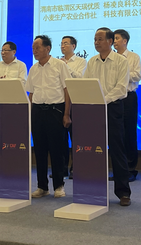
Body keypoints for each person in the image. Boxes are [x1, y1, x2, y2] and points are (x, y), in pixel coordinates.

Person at [84, 27, 131, 206]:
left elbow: (121, 88)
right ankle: (94, 190)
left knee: (117, 150)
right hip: (94, 110)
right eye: (95, 39)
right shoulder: (92, 61)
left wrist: (103, 100)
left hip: (113, 108)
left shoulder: (121, 61)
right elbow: (86, 83)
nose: (96, 42)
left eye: (100, 39)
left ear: (110, 41)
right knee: (94, 150)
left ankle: (123, 192)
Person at [26, 35, 71, 198]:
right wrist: (30, 114)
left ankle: (59, 186)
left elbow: (67, 90)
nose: (34, 51)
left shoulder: (60, 65)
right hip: (38, 111)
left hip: (56, 111)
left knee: (57, 150)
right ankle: (42, 186)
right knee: (39, 150)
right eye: (33, 48)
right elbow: (31, 93)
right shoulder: (33, 68)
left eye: (37, 48)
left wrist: (66, 114)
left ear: (48, 48)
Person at [0, 41, 27, 175]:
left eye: (6, 50)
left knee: (13, 133)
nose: (3, 53)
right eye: (2, 50)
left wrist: (5, 82)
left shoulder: (21, 65)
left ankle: (15, 163)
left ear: (13, 52)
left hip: (14, 101)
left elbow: (22, 82)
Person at [113, 29, 141, 181]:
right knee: (116, 134)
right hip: (115, 98)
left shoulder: (133, 57)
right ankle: (119, 169)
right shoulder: (111, 58)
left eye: (117, 38)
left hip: (129, 97)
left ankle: (131, 169)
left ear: (125, 41)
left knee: (129, 133)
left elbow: (137, 75)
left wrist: (122, 74)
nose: (114, 41)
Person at [60, 35, 86, 178]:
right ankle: (62, 168)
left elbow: (80, 77)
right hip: (60, 101)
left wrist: (65, 67)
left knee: (76, 137)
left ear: (73, 46)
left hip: (76, 101)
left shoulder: (81, 62)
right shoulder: (58, 62)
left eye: (65, 43)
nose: (62, 46)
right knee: (61, 138)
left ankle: (76, 168)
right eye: (61, 44)